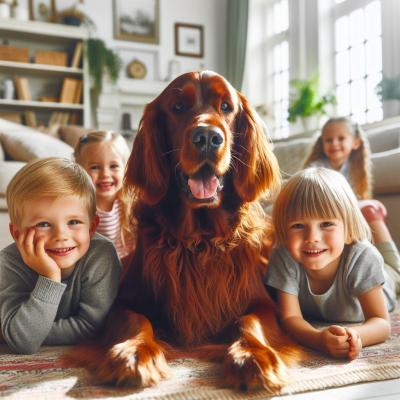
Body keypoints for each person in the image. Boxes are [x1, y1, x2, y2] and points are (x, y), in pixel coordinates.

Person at [265, 167, 400, 360]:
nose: (312, 238)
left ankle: (374, 218)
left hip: (386, 280)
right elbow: (290, 318)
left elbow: (381, 322)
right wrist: (318, 339)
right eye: (298, 226)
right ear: (284, 232)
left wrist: (356, 336)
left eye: (326, 224)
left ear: (348, 232)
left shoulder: (362, 257)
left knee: (394, 268)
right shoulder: (284, 257)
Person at [0, 157, 121, 354]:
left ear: (92, 227)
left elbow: (93, 327)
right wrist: (50, 277)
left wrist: (23, 331)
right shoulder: (10, 261)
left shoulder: (101, 255)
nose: (61, 236)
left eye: (73, 222)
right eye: (44, 224)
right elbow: (23, 342)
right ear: (17, 234)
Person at [303, 116, 395, 248]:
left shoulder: (358, 168)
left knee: (372, 209)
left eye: (341, 139)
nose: (334, 143)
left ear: (355, 143)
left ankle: (392, 263)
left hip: (349, 210)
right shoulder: (315, 168)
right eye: (329, 140)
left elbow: (357, 198)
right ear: (322, 144)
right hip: (321, 210)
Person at [74, 130, 134, 260]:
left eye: (114, 166)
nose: (105, 174)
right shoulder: (79, 207)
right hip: (97, 271)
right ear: (79, 171)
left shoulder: (132, 202)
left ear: (126, 169)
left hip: (129, 268)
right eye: (95, 167)